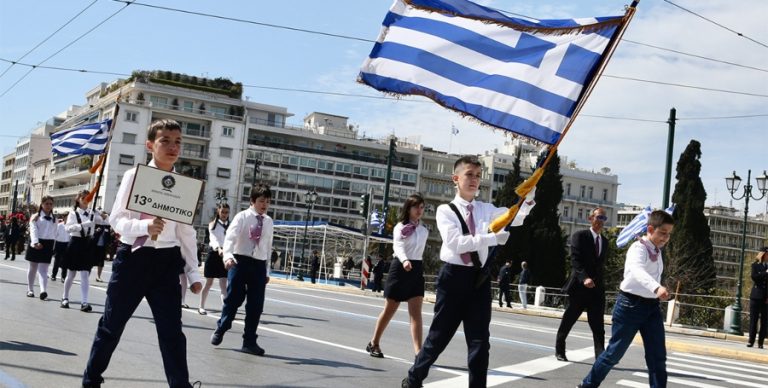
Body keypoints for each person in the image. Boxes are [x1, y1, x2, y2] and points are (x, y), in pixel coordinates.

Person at [82, 119, 203, 388]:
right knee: (112, 326)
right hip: (133, 259)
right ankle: (91, 381)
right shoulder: (133, 176)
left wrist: (193, 272)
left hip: (166, 263)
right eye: (165, 141)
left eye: (178, 142)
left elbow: (186, 233)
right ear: (150, 145)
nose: (173, 147)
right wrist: (144, 226)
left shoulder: (182, 185)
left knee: (172, 333)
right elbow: (117, 219)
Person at [403, 156, 509, 388]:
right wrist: (492, 238)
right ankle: (413, 379)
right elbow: (455, 243)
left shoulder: (484, 208)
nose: (474, 180)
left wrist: (528, 202)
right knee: (438, 338)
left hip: (479, 280)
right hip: (454, 278)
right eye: (469, 174)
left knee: (480, 342)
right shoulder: (445, 210)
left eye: (478, 175)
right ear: (456, 178)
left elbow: (513, 216)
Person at [578, 210, 674, 388]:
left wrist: (658, 291)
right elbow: (637, 271)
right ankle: (587, 385)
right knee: (613, 354)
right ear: (650, 229)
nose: (665, 238)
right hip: (630, 306)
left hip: (651, 308)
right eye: (662, 233)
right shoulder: (638, 248)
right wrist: (656, 287)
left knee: (658, 357)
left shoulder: (657, 251)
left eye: (668, 234)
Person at [210, 183, 273, 356]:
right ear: (252, 201)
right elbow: (230, 238)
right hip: (240, 262)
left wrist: (267, 272)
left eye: (267, 201)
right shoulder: (242, 217)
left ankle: (249, 341)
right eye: (261, 201)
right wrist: (228, 257)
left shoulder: (268, 221)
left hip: (259, 265)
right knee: (233, 299)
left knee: (256, 305)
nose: (264, 205)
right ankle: (222, 327)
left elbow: (268, 246)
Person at [367, 194, 428, 358]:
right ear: (408, 208)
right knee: (389, 310)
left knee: (416, 313)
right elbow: (398, 246)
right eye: (416, 207)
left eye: (422, 207)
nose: (419, 210)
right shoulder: (400, 227)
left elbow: (419, 252)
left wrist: (413, 263)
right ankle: (374, 343)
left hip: (416, 270)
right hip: (400, 268)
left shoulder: (424, 230)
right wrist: (405, 260)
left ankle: (418, 352)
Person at [556, 207, 609, 361]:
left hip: (597, 290)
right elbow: (575, 260)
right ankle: (560, 349)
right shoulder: (579, 236)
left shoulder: (604, 242)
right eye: (599, 217)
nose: (601, 221)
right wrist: (584, 277)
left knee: (598, 325)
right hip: (579, 288)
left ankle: (600, 356)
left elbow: (600, 265)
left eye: (604, 219)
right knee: (569, 320)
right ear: (590, 218)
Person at [62, 190, 104, 312]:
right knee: (71, 274)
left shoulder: (92, 212)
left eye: (88, 198)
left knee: (85, 274)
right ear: (78, 199)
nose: (86, 200)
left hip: (88, 244)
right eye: (83, 198)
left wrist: (99, 214)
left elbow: (104, 221)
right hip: (76, 242)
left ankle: (84, 302)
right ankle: (65, 298)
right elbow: (68, 228)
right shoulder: (73, 213)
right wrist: (83, 224)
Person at [199, 203, 230, 315]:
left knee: (223, 285)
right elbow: (213, 239)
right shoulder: (213, 225)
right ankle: (201, 306)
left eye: (226, 212)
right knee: (209, 283)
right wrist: (218, 249)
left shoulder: (230, 226)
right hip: (213, 255)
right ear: (218, 211)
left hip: (224, 256)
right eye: (222, 212)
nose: (224, 215)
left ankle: (226, 311)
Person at [26, 196, 56, 300]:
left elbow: (55, 233)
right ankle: (30, 289)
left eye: (50, 204)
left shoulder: (54, 218)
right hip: (37, 242)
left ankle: (43, 291)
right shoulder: (35, 216)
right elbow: (33, 230)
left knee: (44, 269)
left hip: (48, 244)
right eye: (46, 203)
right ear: (42, 204)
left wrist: (54, 246)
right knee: (33, 268)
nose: (48, 206)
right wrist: (35, 242)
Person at [747, 247, 768, 349]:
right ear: (763, 254)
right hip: (756, 296)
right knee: (753, 320)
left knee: (764, 322)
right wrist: (765, 273)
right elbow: (754, 277)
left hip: (766, 297)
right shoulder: (755, 265)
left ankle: (760, 342)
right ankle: (751, 340)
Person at [50, 213, 70, 282]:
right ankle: (53, 275)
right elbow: (55, 236)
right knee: (57, 261)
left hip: (67, 244)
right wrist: (53, 246)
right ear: (63, 217)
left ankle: (63, 277)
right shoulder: (59, 225)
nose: (68, 218)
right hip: (59, 244)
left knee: (65, 262)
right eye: (67, 217)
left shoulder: (71, 226)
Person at [92, 211, 111, 282]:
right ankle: (86, 275)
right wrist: (96, 231)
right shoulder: (96, 224)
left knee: (101, 262)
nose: (103, 216)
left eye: (104, 215)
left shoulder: (107, 225)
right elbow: (91, 232)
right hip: (94, 245)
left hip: (103, 246)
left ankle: (98, 276)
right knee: (91, 261)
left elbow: (109, 236)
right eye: (102, 215)